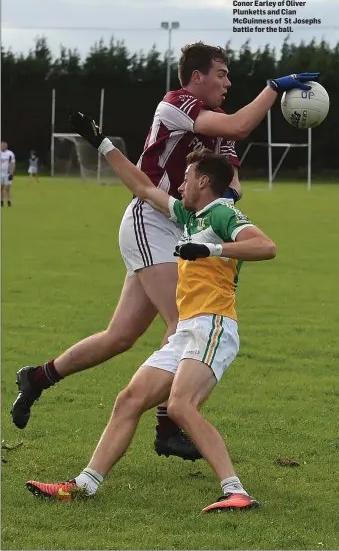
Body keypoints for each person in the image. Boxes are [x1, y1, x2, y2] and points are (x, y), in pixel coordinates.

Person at [11, 41, 319, 461]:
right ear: (197, 78)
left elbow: (232, 183)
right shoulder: (176, 103)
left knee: (121, 336)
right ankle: (169, 423)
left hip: (180, 225)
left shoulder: (217, 129)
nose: (228, 82)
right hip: (151, 218)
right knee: (184, 319)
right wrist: (273, 88)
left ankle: (38, 377)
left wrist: (223, 195)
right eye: (221, 74)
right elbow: (239, 129)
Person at [26, 122, 276, 512]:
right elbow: (142, 187)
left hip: (214, 326)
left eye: (187, 178)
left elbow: (266, 246)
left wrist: (211, 250)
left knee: (179, 406)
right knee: (128, 399)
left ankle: (236, 491)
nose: (178, 186)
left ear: (204, 181)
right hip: (187, 332)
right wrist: (102, 142)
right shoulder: (189, 216)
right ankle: (83, 486)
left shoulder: (224, 213)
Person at [1, 141, 16, 207]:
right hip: (0, 173)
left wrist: (11, 173)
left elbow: (12, 163)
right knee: (1, 187)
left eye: (4, 145)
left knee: (7, 188)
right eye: (2, 145)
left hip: (7, 173)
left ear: (6, 146)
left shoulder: (10, 153)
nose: (3, 146)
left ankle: (8, 201)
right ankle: (1, 201)